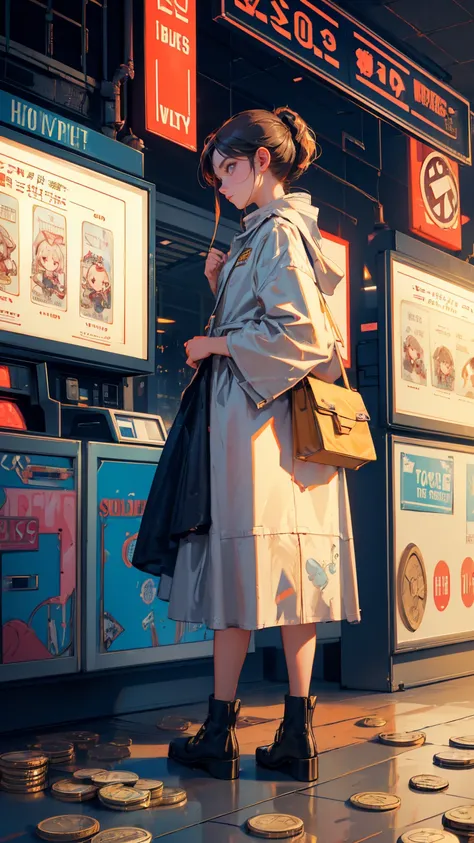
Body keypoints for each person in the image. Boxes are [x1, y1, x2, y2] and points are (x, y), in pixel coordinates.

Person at [159, 107, 360, 783]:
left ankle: (221, 731)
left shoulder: (274, 232)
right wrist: (223, 289)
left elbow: (301, 335)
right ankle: (294, 735)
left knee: (239, 575)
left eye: (228, 168)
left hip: (259, 429)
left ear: (261, 163)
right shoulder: (279, 234)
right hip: (286, 438)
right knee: (289, 580)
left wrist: (214, 341)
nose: (222, 184)